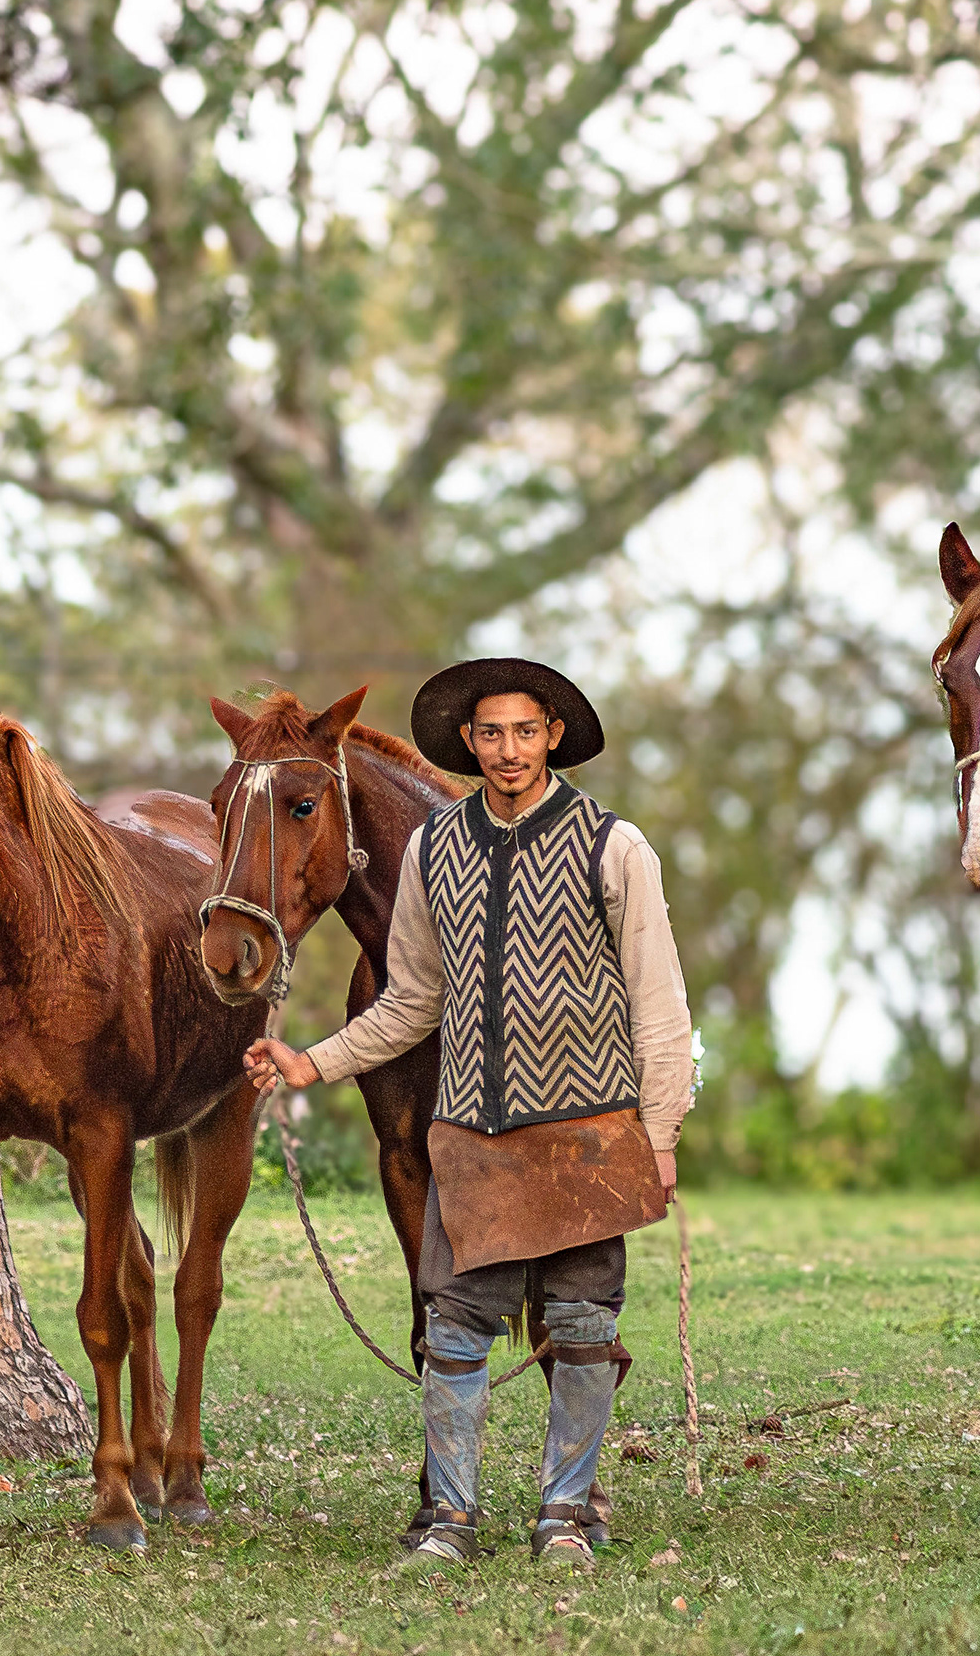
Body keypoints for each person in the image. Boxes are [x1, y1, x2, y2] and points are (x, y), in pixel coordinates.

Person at [246, 660, 695, 1571]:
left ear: (553, 736)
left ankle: (566, 1516)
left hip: (587, 1132)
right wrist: (312, 1064)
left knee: (581, 1327)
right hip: (472, 1136)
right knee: (451, 1326)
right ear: (470, 744)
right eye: (491, 734)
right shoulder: (430, 851)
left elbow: (660, 1003)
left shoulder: (617, 848)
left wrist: (661, 1133)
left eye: (525, 732)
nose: (508, 751)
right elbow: (412, 999)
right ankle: (448, 1520)